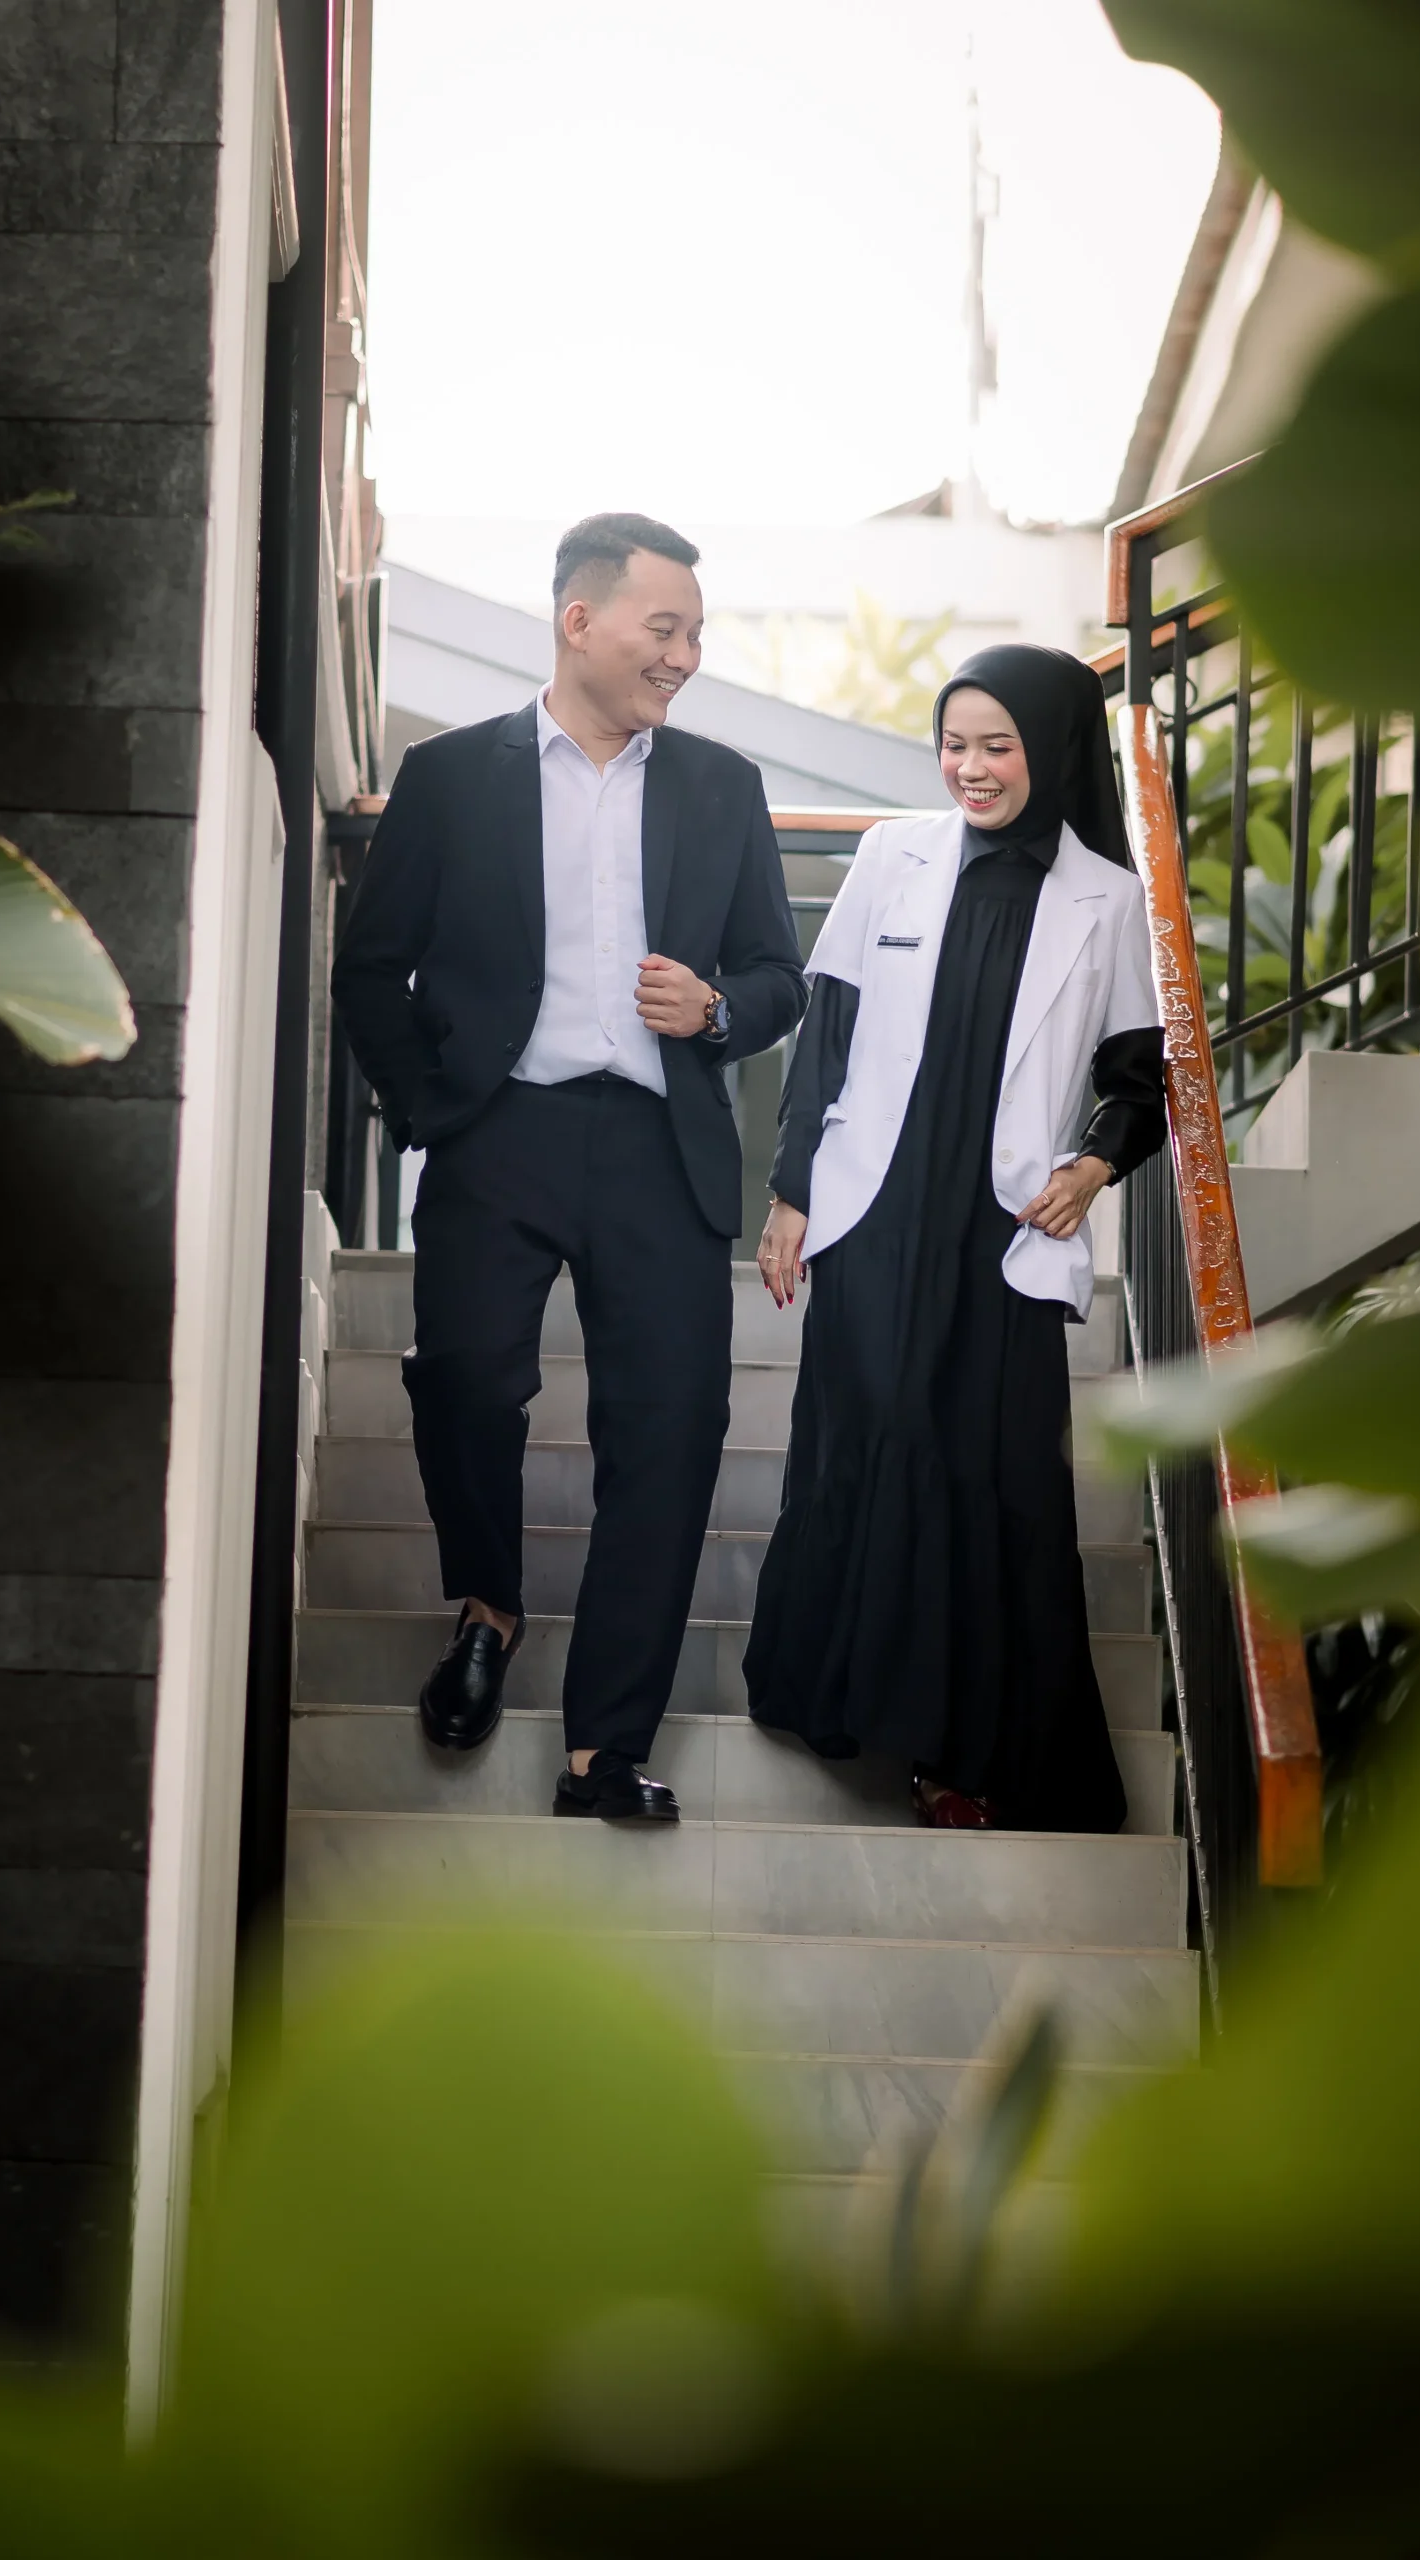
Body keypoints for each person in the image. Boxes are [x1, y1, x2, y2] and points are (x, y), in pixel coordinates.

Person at [332, 513, 807, 1821]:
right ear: (578, 620)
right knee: (463, 1382)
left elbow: (778, 977)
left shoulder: (720, 787)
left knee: (669, 1432)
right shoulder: (451, 777)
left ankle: (604, 1747)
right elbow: (370, 969)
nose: (683, 657)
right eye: (664, 629)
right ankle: (488, 1604)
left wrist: (713, 1010)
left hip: (659, 1144)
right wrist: (432, 1110)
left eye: (695, 635)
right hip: (499, 1131)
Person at [744, 645, 1166, 1832]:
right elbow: (824, 1035)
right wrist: (790, 1194)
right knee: (871, 1437)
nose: (969, 768)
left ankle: (961, 1752)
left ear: (1051, 749)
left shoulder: (1106, 898)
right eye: (952, 744)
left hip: (1002, 1232)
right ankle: (847, 1699)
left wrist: (1091, 1168)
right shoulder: (891, 855)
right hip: (876, 1212)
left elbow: (1141, 1076)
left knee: (987, 1471)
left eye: (996, 746)